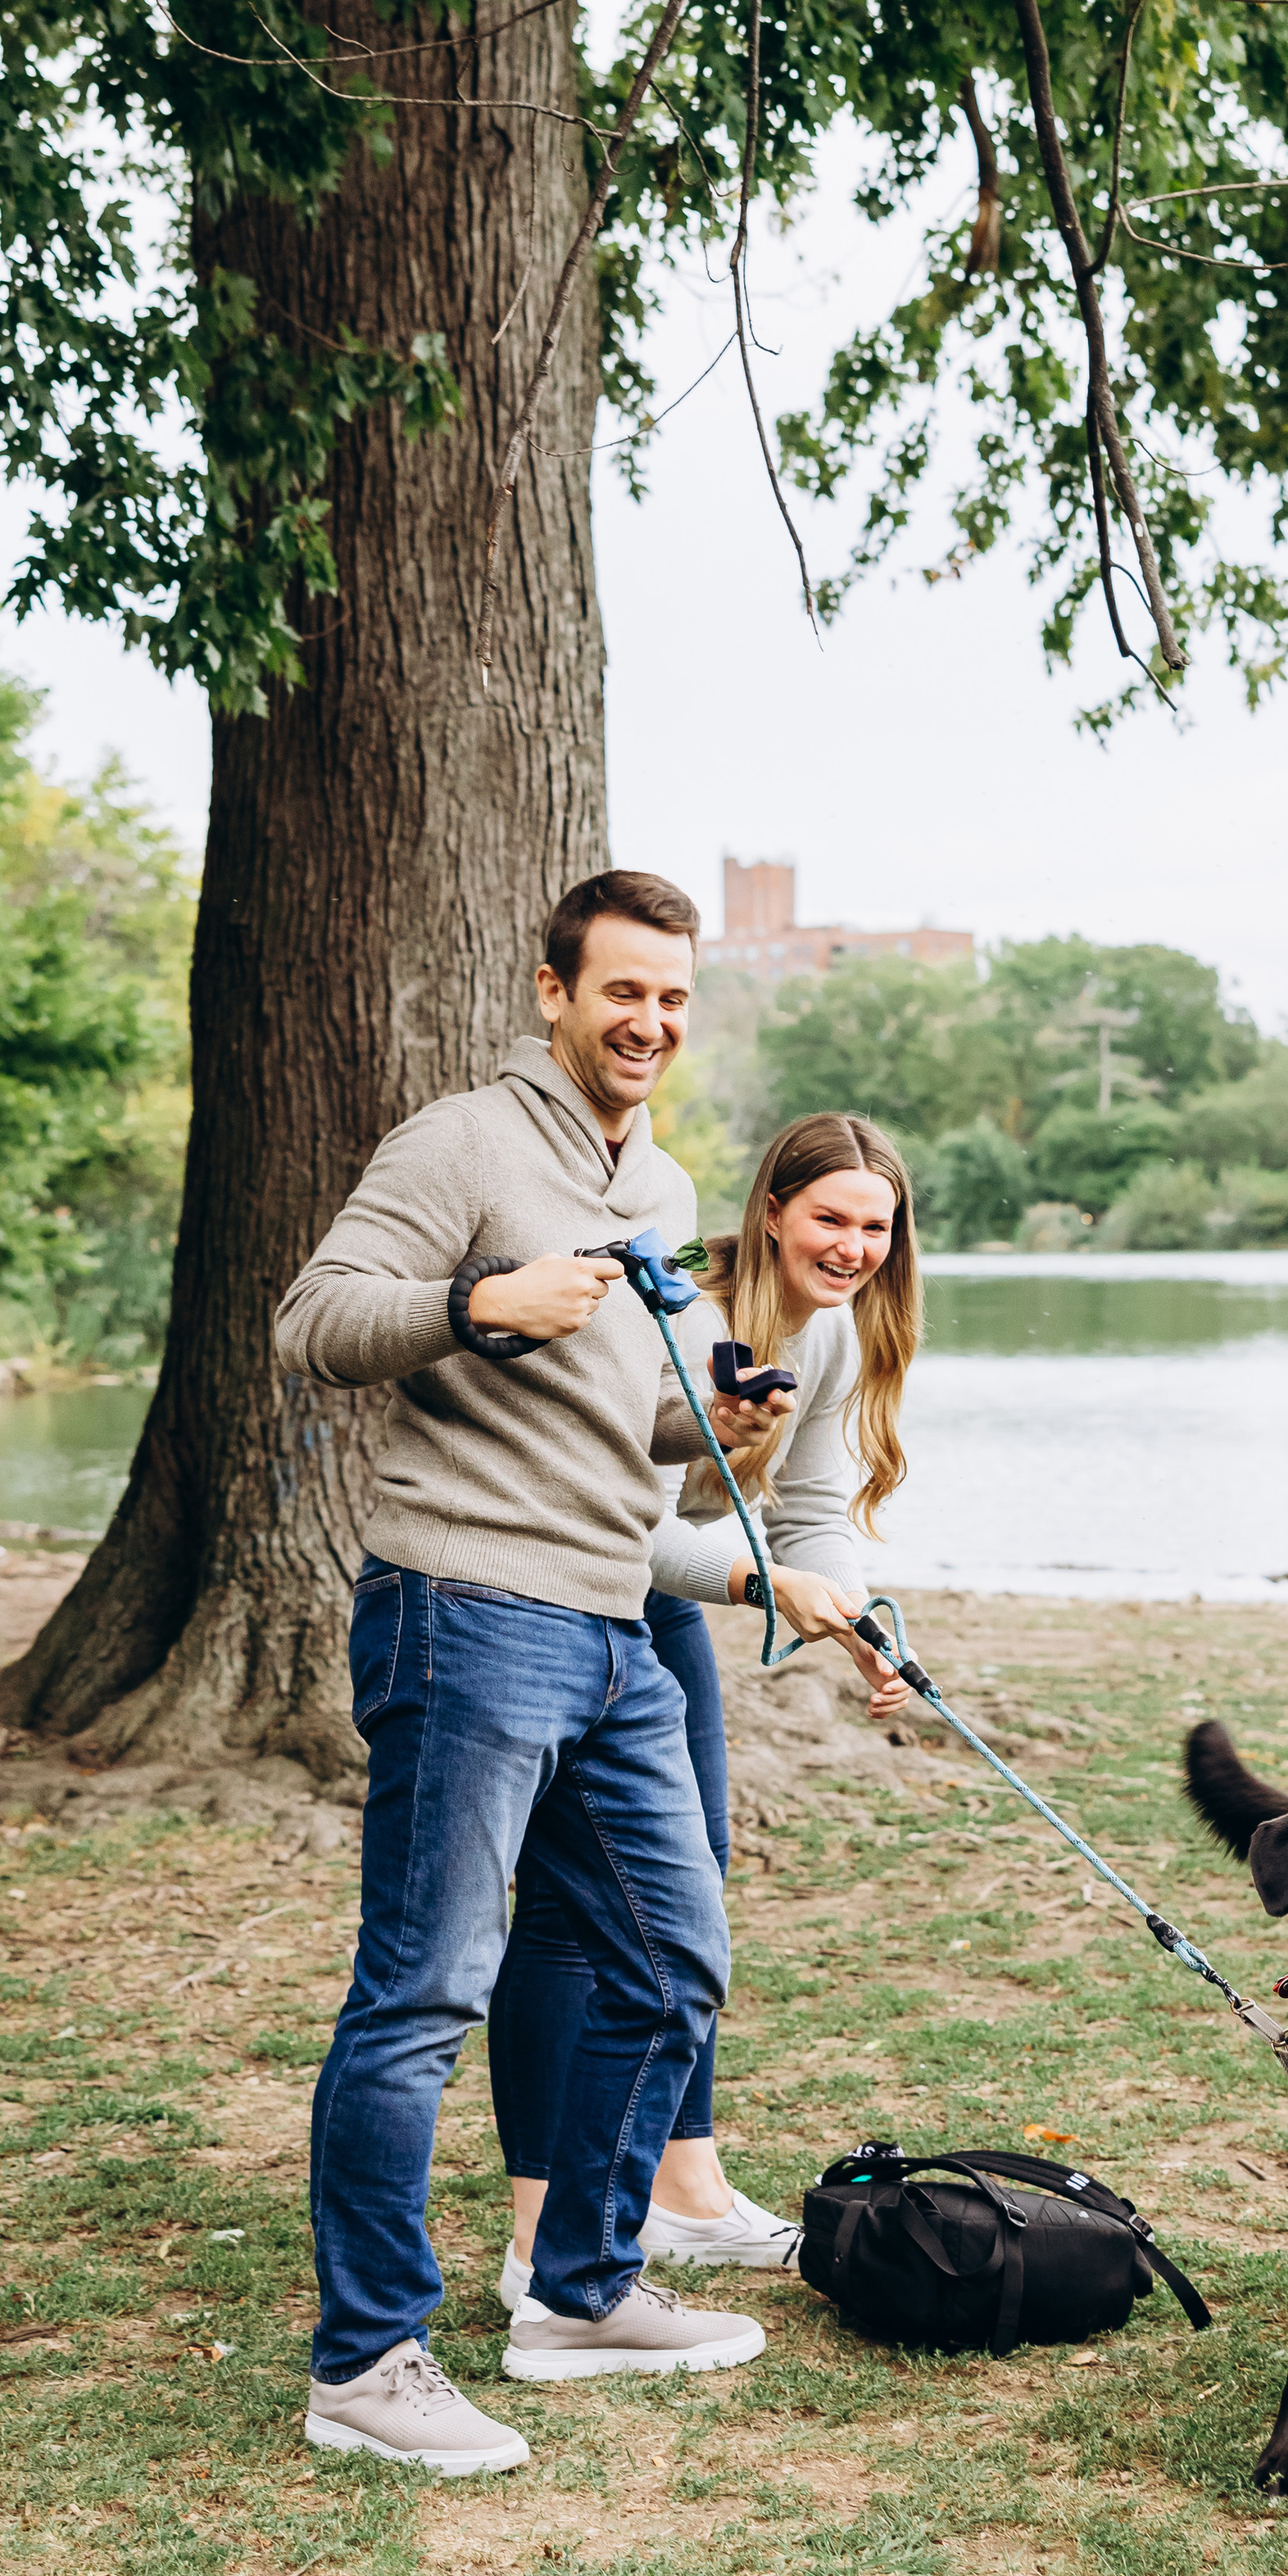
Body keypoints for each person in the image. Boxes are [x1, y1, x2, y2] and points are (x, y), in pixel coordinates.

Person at [272, 871, 800, 2479]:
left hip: (609, 1620)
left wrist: (737, 1434)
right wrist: (472, 1301)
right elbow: (311, 1319)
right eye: (620, 991)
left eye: (673, 999)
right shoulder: (461, 1144)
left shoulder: (664, 1181)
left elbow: (648, 1442)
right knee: (425, 1983)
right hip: (468, 1606)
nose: (647, 1022)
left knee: (672, 1954)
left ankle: (572, 2288)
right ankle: (364, 2361)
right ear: (552, 990)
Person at [488, 1110, 922, 2306]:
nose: (850, 1246)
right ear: (770, 1210)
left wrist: (861, 1617)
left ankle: (684, 2187)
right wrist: (757, 1582)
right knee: (579, 1905)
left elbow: (816, 1508)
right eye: (829, 1218)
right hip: (558, 1589)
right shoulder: (678, 1315)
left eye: (874, 1226)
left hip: (658, 1599)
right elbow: (623, 1519)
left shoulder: (829, 1334)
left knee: (692, 1877)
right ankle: (536, 2239)